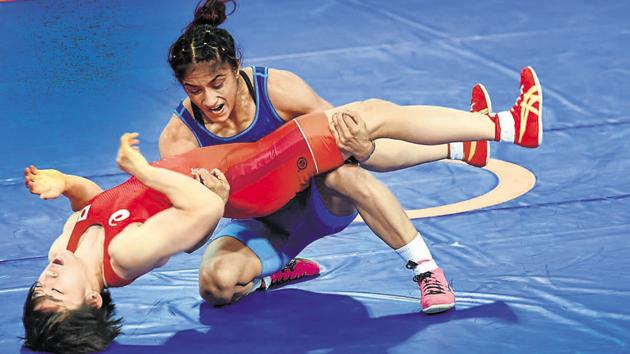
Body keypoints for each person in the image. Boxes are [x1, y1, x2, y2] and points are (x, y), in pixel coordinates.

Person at [21, 60, 542, 352]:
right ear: (92, 298)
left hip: (239, 171)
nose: (46, 278)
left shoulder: (63, 247)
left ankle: (464, 144)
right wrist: (145, 172)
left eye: (39, 288)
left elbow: (99, 205)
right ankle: (505, 126)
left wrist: (65, 182)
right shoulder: (128, 257)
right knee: (356, 121)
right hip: (248, 181)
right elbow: (203, 212)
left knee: (348, 140)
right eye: (55, 292)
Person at [161, 0, 491, 316]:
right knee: (214, 286)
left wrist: (364, 149)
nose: (210, 99)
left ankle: (427, 272)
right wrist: (211, 208)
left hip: (320, 201)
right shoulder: (179, 140)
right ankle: (275, 273)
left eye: (218, 83)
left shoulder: (278, 89)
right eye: (194, 90)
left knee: (346, 169)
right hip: (263, 225)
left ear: (235, 68)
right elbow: (189, 240)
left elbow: (349, 141)